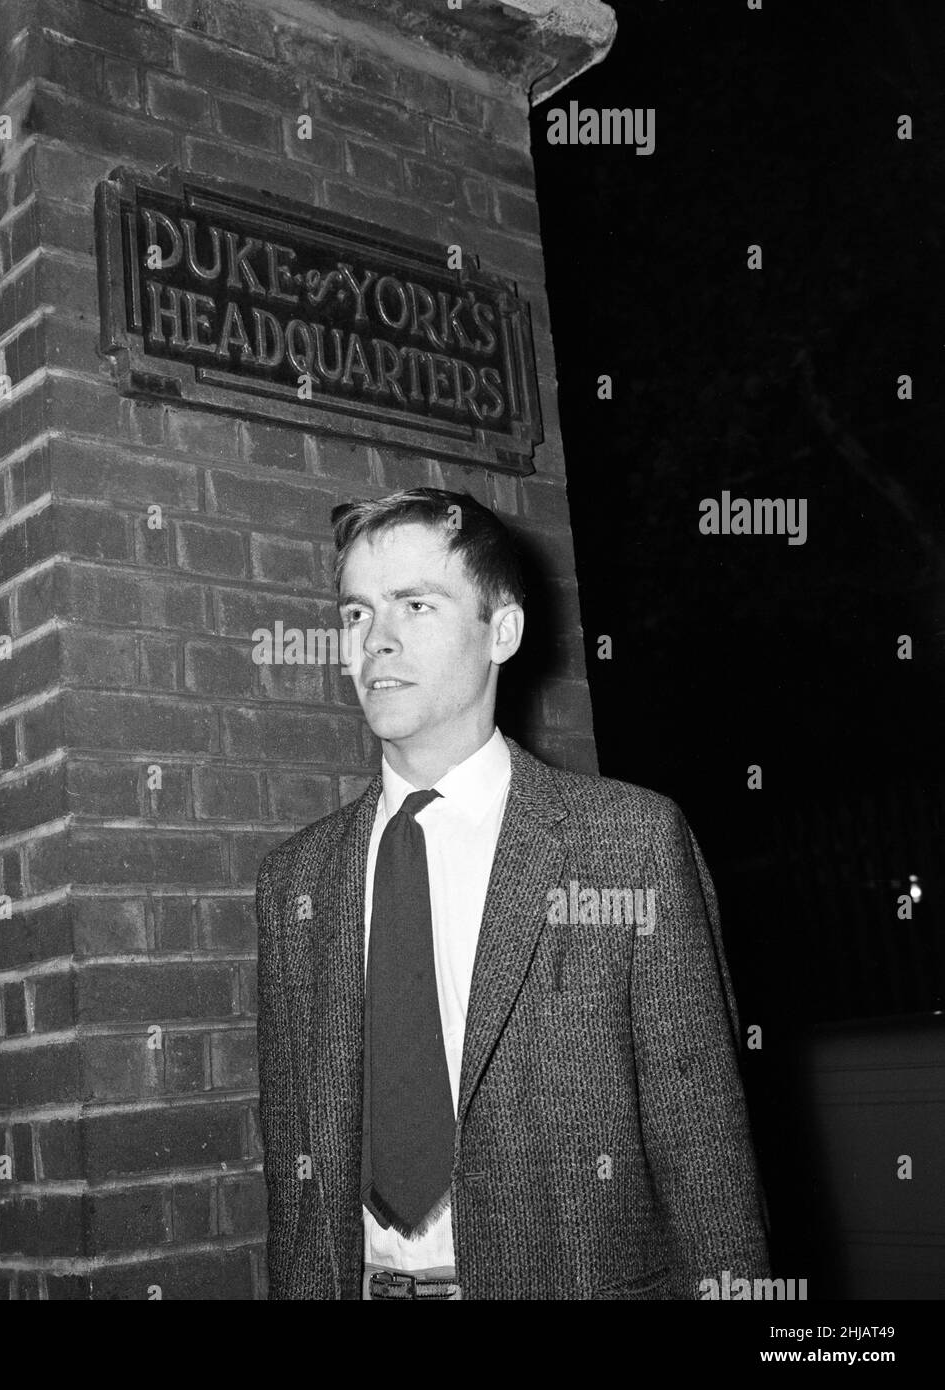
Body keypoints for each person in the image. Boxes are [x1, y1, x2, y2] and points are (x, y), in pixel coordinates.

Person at [255, 486, 769, 1300]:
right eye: (355, 614)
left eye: (414, 605)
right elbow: (295, 1170)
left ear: (503, 630)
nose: (375, 641)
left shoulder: (627, 843)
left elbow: (703, 1149)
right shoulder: (294, 883)